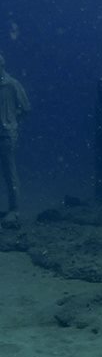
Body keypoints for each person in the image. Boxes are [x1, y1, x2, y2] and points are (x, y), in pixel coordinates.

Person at [0, 52, 30, 226]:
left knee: (9, 172)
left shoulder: (12, 85)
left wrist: (11, 121)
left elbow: (25, 108)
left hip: (7, 135)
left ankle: (14, 210)